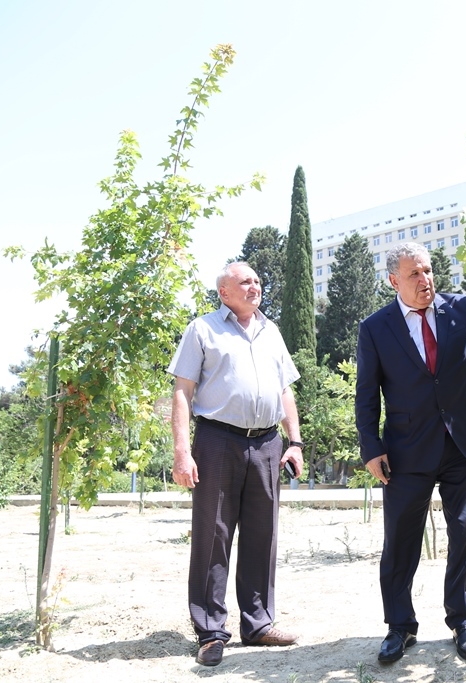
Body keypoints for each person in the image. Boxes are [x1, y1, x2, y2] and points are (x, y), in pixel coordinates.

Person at [355, 242, 466, 663]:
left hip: (464, 445)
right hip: (405, 452)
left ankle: (464, 621)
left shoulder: (462, 308)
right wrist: (370, 448)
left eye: (429, 270)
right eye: (414, 274)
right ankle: (399, 627)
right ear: (393, 280)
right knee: (400, 541)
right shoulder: (375, 328)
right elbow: (366, 396)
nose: (425, 280)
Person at [168, 261, 305, 667]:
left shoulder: (272, 331)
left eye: (258, 280)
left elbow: (285, 391)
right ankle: (211, 631)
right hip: (217, 441)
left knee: (263, 534)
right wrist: (181, 450)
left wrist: (294, 442)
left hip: (267, 443)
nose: (255, 286)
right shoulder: (203, 329)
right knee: (213, 535)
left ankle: (258, 624)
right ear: (224, 291)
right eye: (245, 281)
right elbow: (182, 392)